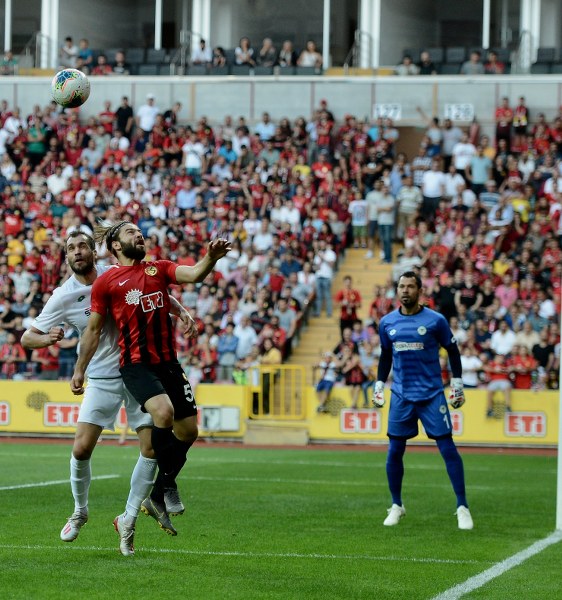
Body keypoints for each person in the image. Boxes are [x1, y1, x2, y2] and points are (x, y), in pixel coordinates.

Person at [21, 231, 197, 556]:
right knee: (81, 448)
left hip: (138, 369)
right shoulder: (63, 296)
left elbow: (154, 291)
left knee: (151, 448)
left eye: (82, 246)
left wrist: (180, 311)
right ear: (66, 256)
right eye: (71, 247)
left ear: (93, 250)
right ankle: (79, 511)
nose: (77, 252)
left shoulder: (112, 274)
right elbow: (27, 339)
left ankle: (128, 520)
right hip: (101, 377)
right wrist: (48, 341)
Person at [70, 222, 230, 539]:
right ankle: (160, 487)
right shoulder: (106, 282)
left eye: (139, 231)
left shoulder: (159, 269)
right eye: (130, 232)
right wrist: (79, 369)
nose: (138, 234)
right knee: (164, 413)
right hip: (135, 365)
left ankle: (157, 494)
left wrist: (211, 258)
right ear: (115, 244)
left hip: (168, 362)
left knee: (189, 431)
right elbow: (93, 330)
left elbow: (194, 274)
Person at [372, 271, 473, 530]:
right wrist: (380, 384)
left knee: (447, 447)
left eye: (410, 286)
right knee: (394, 450)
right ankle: (396, 505)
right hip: (402, 396)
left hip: (431, 395)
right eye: (401, 286)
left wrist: (457, 383)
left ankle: (462, 507)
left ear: (420, 291)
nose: (404, 290)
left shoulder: (435, 321)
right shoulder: (387, 323)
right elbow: (386, 356)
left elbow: (452, 350)